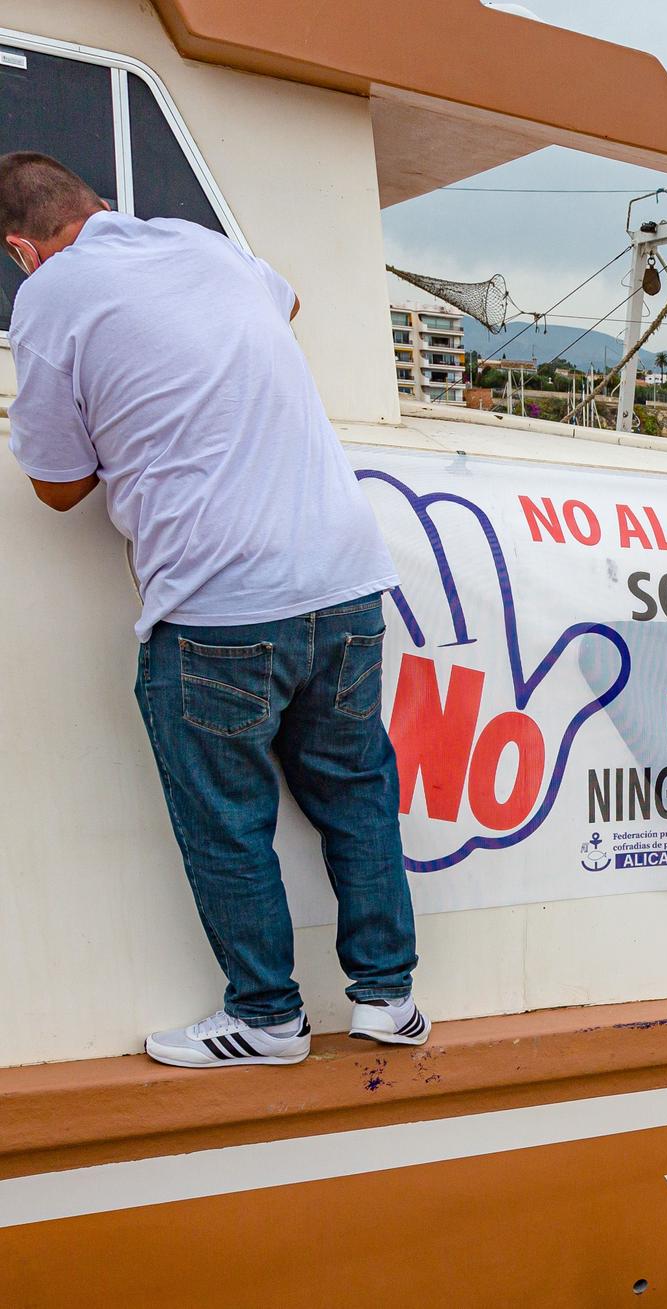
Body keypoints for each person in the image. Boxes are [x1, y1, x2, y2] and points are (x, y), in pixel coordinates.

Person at [2, 151, 426, 1068]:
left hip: (220, 603)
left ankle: (269, 1017)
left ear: (21, 250)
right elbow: (291, 302)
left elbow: (58, 487)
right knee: (356, 792)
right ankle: (389, 999)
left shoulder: (50, 296)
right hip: (347, 579)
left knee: (228, 818)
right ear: (100, 205)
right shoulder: (199, 244)